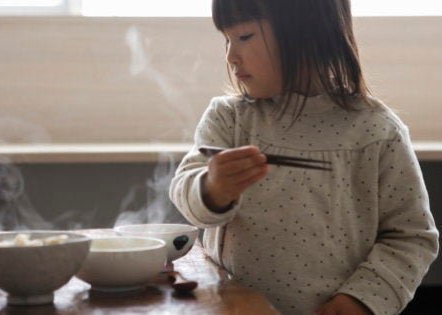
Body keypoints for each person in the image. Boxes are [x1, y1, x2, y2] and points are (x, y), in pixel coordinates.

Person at [169, 1, 439, 314]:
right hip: (230, 308)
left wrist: (361, 299)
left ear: (308, 34)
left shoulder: (376, 132)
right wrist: (212, 188)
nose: (230, 56)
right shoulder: (229, 118)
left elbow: (412, 237)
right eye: (226, 40)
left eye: (244, 37)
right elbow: (184, 188)